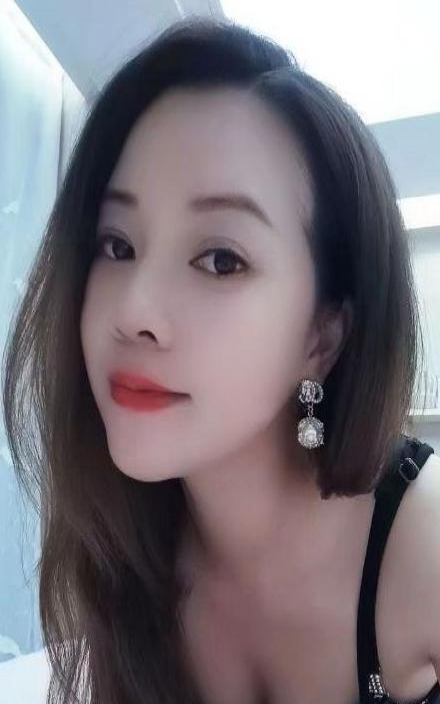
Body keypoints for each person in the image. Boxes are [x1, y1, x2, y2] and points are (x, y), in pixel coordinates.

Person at [2, 15, 440, 704]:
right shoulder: (126, 550)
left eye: (220, 260)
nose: (134, 310)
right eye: (117, 245)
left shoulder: (424, 549)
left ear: (321, 336)